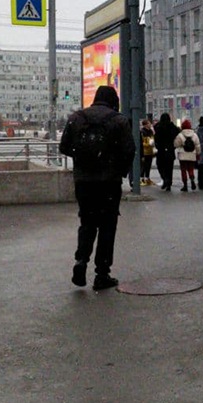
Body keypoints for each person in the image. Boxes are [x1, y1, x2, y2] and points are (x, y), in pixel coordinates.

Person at [59, 85, 135, 291]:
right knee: (107, 226)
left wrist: (84, 158)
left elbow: (64, 147)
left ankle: (81, 261)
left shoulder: (76, 118)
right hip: (109, 183)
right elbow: (129, 150)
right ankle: (102, 274)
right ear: (113, 100)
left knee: (87, 222)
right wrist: (118, 170)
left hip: (83, 182)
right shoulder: (119, 120)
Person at [153, 112, 179, 191]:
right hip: (170, 150)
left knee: (160, 165)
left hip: (161, 150)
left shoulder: (158, 127)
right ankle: (169, 183)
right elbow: (177, 133)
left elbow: (156, 137)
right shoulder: (172, 127)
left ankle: (164, 179)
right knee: (169, 168)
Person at [174, 119, 200, 192]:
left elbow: (176, 144)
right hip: (192, 154)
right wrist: (198, 153)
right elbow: (198, 146)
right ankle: (192, 179)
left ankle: (185, 185)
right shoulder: (194, 135)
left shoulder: (180, 135)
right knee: (191, 169)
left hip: (182, 155)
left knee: (183, 170)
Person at [139, 118, 155, 186]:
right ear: (145, 125)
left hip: (150, 151)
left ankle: (147, 178)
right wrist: (148, 143)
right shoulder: (142, 132)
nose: (150, 124)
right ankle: (141, 179)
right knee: (143, 166)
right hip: (144, 152)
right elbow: (141, 143)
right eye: (148, 123)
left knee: (148, 165)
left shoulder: (150, 131)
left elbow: (152, 138)